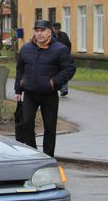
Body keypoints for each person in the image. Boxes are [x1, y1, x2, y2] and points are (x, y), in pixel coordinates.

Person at [14, 20, 76, 158]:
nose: (39, 33)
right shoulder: (26, 48)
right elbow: (19, 70)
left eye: (42, 30)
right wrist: (18, 90)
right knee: (27, 123)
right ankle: (32, 153)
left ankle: (48, 156)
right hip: (30, 93)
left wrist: (54, 82)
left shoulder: (59, 49)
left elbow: (69, 69)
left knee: (50, 127)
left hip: (49, 94)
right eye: (37, 30)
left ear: (49, 32)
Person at [51, 21, 72, 96]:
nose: (57, 30)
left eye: (58, 29)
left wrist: (67, 55)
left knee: (64, 72)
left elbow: (69, 45)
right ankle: (54, 87)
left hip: (63, 58)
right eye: (55, 29)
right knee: (55, 74)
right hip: (53, 58)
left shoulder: (64, 35)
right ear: (52, 28)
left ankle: (64, 89)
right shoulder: (49, 36)